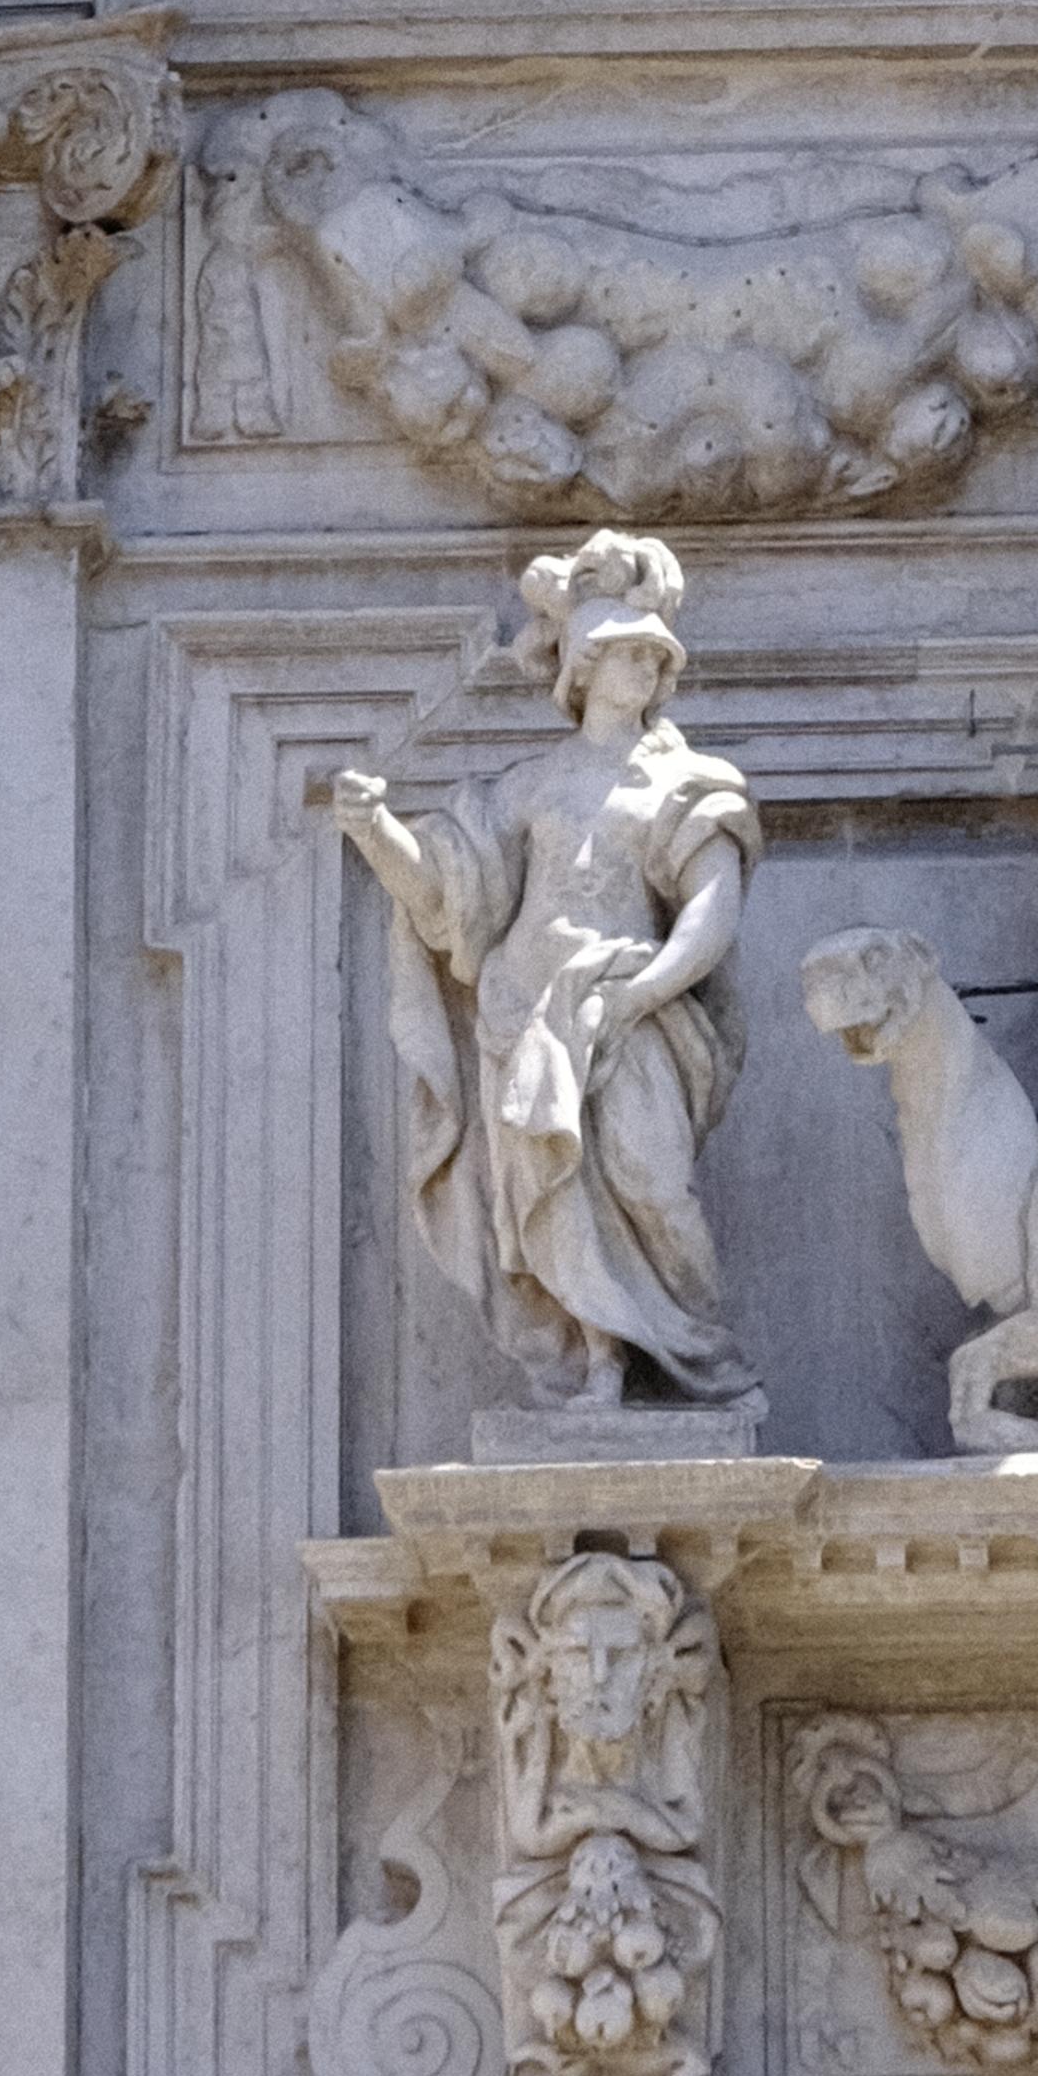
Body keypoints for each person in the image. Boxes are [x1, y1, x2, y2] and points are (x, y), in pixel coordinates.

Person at [326, 524, 759, 1411]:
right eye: (626, 651)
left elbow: (714, 910)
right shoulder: (525, 787)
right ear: (584, 666)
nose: (646, 666)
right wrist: (376, 832)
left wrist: (643, 992)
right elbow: (444, 895)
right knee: (560, 1195)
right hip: (527, 1012)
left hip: (635, 1005)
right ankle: (600, 1362)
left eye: (653, 653)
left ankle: (704, 1362)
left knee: (651, 1180)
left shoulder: (684, 783)